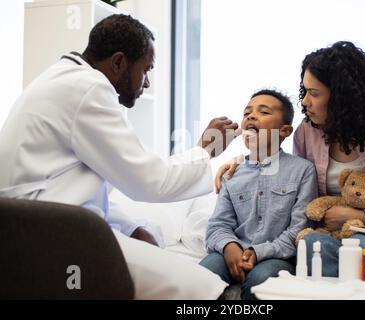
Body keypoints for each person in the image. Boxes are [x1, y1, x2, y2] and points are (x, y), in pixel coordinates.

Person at [0, 14, 239, 299]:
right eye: (146, 69)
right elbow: (151, 181)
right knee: (204, 288)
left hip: (33, 231)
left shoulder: (64, 79)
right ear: (118, 63)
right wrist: (205, 150)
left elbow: (70, 190)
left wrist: (131, 227)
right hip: (54, 237)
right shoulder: (89, 88)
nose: (147, 83)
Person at [216, 41, 365, 280]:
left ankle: (356, 274)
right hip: (332, 240)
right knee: (314, 245)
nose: (304, 101)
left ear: (341, 98)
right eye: (305, 91)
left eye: (314, 94)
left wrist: (364, 218)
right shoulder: (307, 131)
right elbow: (290, 173)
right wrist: (244, 163)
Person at [200, 89, 318, 299]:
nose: (251, 116)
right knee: (202, 275)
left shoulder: (303, 170)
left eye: (263, 112)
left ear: (284, 131)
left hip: (277, 256)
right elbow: (218, 225)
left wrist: (257, 252)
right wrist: (229, 247)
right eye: (247, 113)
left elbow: (299, 230)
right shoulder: (232, 173)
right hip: (235, 250)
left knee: (261, 280)